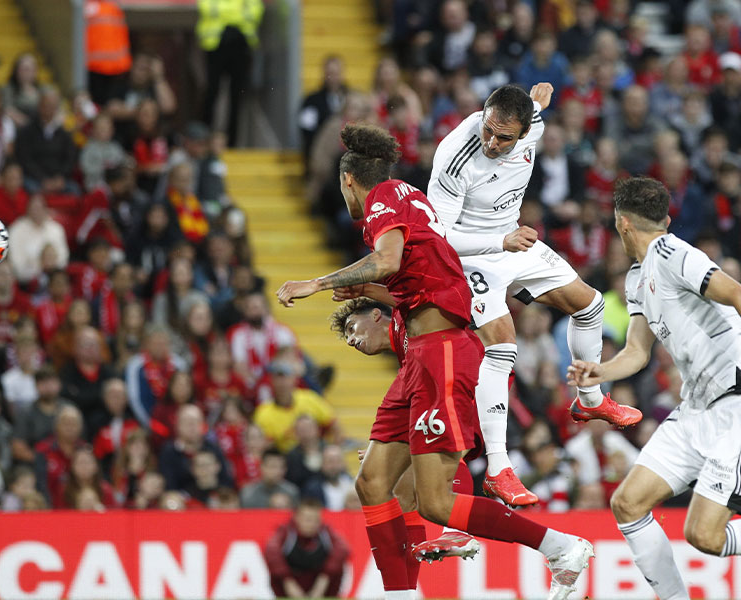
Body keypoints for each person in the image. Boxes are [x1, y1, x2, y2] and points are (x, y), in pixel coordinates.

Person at [277, 124, 593, 600]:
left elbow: (388, 260)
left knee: (436, 502)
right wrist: (366, 287)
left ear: (348, 180)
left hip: (442, 350)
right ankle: (400, 595)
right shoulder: (408, 196)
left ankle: (560, 547)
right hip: (420, 357)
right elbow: (421, 278)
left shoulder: (383, 198)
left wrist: (316, 283)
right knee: (373, 482)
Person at [426, 83, 640, 506]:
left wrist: (538, 98)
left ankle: (589, 400)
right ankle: (498, 468)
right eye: (488, 130)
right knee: (502, 346)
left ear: (525, 132)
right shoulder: (455, 155)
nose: (491, 142)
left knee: (590, 304)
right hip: (470, 256)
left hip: (513, 240)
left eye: (504, 137)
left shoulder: (534, 125)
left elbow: (536, 105)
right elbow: (438, 237)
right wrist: (499, 243)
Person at [567, 176, 741, 600]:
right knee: (627, 504)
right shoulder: (636, 277)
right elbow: (637, 352)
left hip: (733, 405)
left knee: (704, 535)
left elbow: (736, 292)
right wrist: (600, 371)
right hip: (694, 409)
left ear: (622, 223)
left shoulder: (673, 253)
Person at [195, 0, 265, 147]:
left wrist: (226, 17)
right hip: (215, 44)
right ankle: (202, 138)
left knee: (236, 96)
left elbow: (256, 11)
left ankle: (232, 142)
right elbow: (205, 8)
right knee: (211, 92)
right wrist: (236, 17)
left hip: (241, 44)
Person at [264, 498, 350, 598]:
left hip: (321, 588)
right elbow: (271, 551)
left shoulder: (325, 531)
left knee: (338, 565)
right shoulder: (285, 531)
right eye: (308, 519)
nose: (312, 524)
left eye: (316, 520)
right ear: (297, 518)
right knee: (275, 568)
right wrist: (288, 581)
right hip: (289, 587)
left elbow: (343, 549)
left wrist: (323, 579)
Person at [84, 0, 132, 107]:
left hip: (116, 68)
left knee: (112, 106)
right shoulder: (87, 6)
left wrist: (125, 64)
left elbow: (121, 35)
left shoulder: (113, 7)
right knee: (95, 105)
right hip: (94, 67)